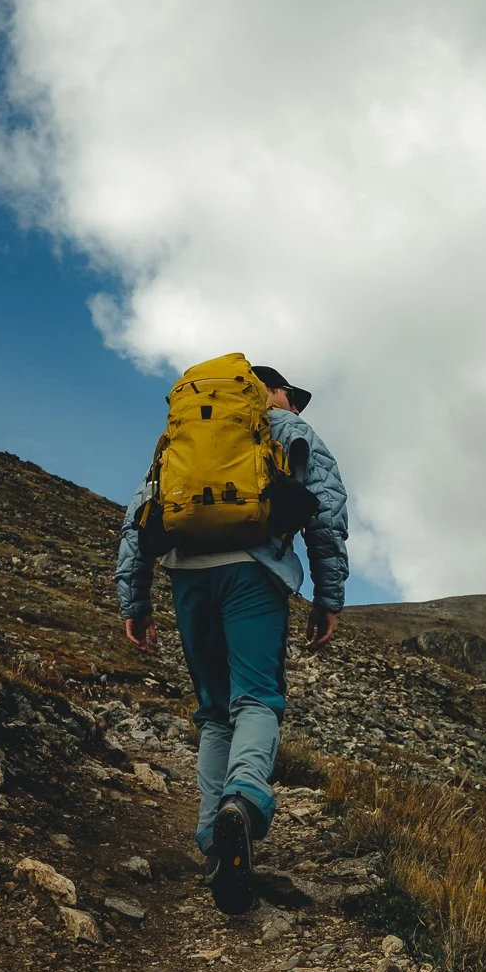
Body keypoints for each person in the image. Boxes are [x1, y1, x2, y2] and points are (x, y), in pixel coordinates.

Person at [115, 362, 348, 913]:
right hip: (253, 571)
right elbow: (327, 511)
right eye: (292, 395)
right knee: (257, 697)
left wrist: (136, 599)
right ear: (270, 391)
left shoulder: (182, 431)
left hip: (187, 573)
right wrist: (328, 597)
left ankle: (211, 842)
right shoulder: (286, 429)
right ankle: (242, 802)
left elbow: (138, 512)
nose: (296, 405)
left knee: (214, 709)